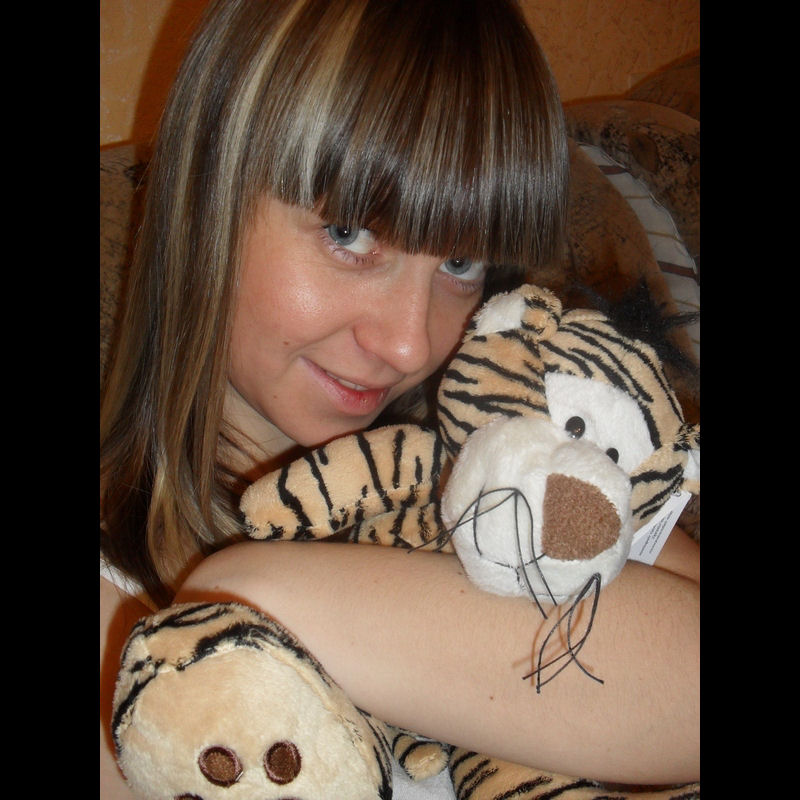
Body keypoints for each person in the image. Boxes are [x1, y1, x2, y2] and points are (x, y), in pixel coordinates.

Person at [100, 0, 700, 797]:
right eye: (350, 234)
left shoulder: (514, 451)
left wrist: (262, 594)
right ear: (205, 197)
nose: (411, 345)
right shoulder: (116, 621)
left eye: (460, 263)